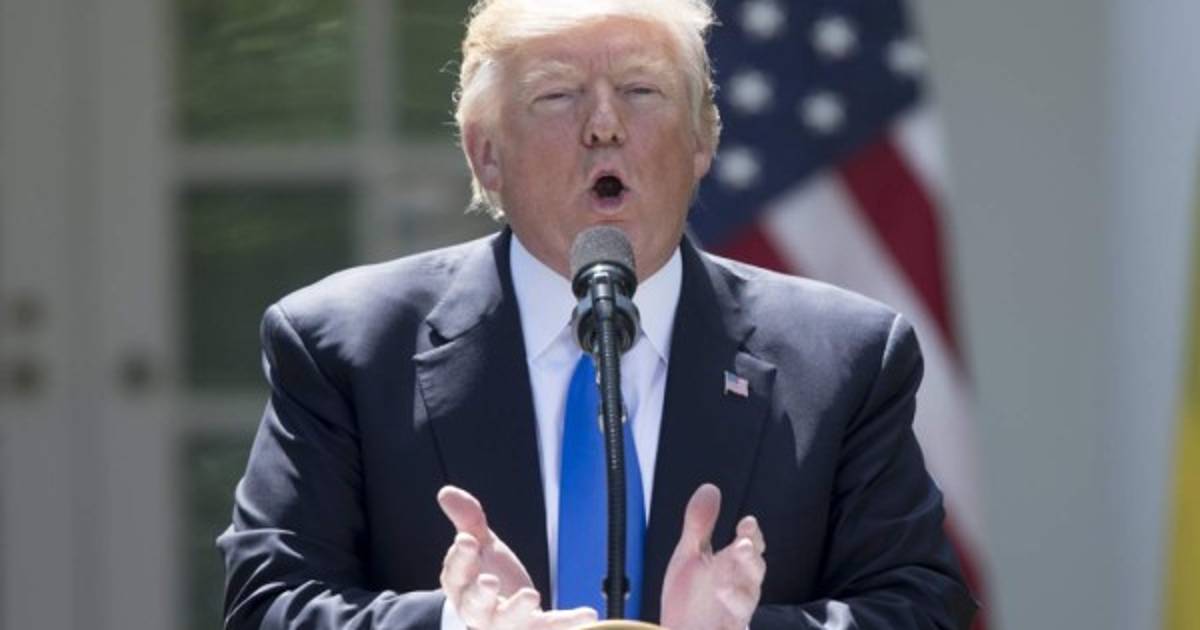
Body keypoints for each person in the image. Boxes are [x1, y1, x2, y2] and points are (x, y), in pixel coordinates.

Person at [218, 0, 978, 628]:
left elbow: (922, 609)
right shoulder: (345, 347)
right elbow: (269, 604)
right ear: (487, 154)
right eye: (557, 95)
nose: (604, 124)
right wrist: (457, 625)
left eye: (642, 90)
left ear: (702, 140)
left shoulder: (845, 357)